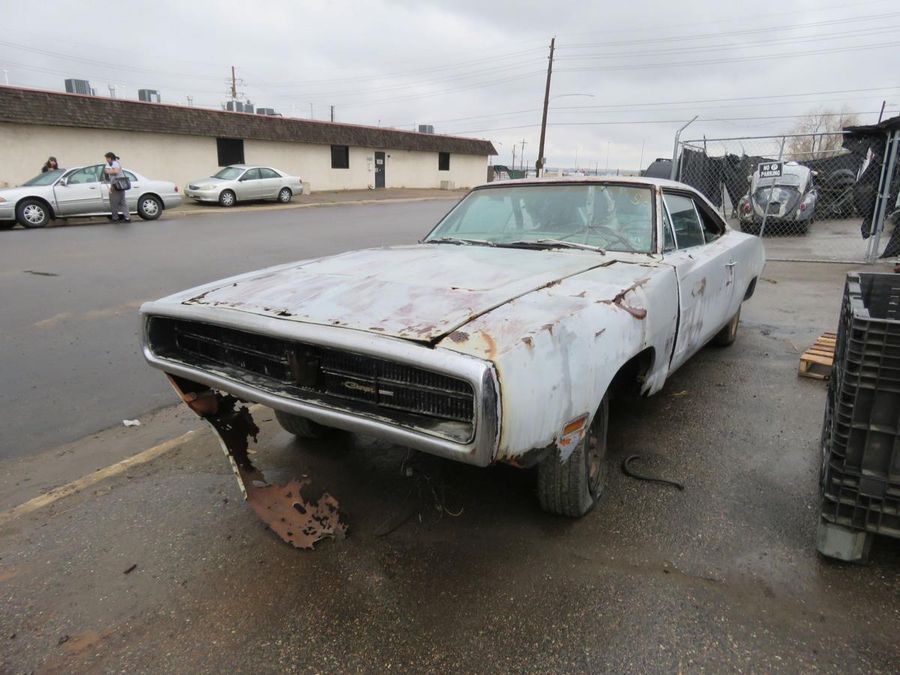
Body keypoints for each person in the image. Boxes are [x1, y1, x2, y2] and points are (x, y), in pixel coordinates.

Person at [102, 151, 130, 222]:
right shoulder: (115, 163)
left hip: (117, 185)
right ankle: (127, 218)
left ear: (110, 158)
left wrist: (107, 171)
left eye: (107, 158)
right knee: (123, 202)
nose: (106, 160)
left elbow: (116, 171)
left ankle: (115, 218)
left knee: (113, 202)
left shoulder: (114, 163)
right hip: (120, 185)